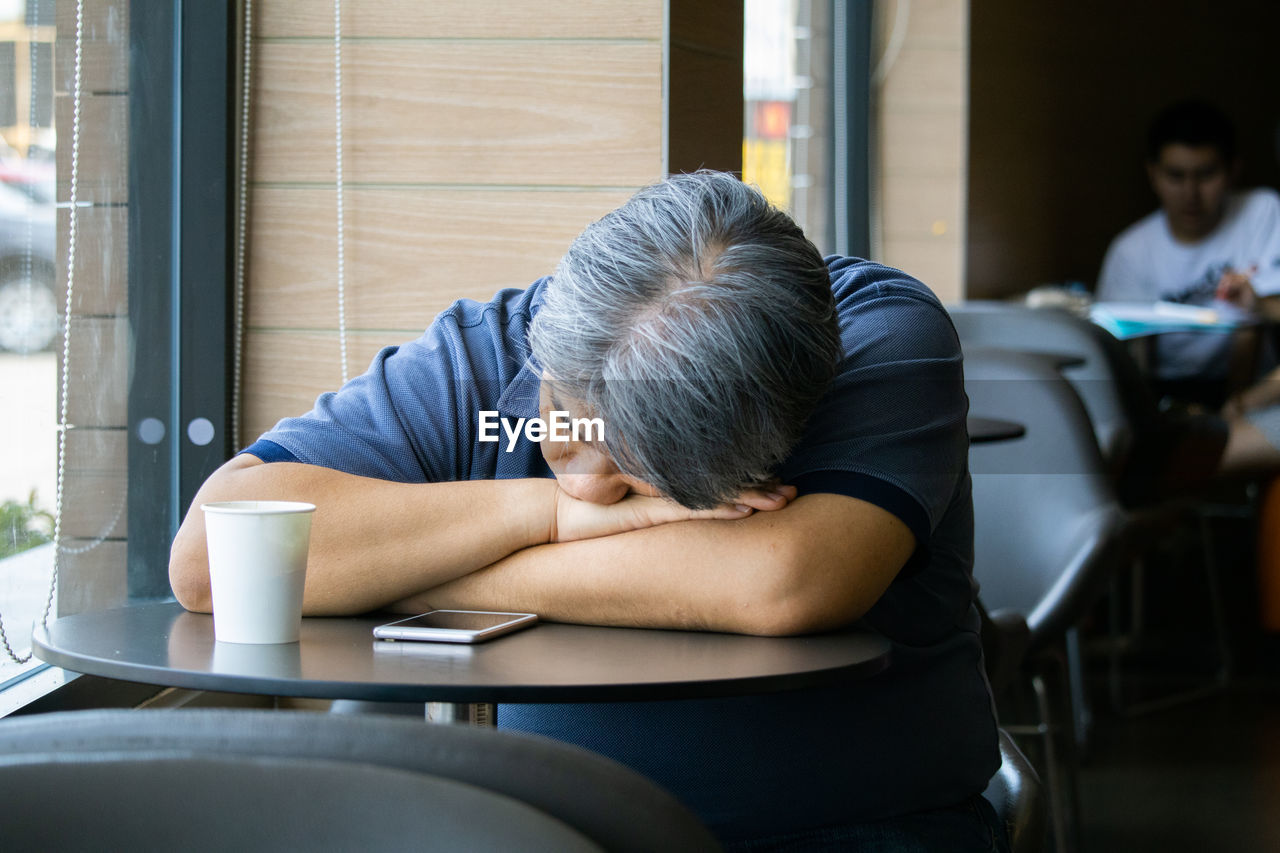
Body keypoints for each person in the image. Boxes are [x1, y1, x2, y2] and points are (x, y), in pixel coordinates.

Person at [170, 172, 1004, 850]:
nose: (591, 484)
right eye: (564, 424)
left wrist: (416, 579)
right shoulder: (488, 350)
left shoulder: (883, 337)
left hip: (854, 826)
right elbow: (216, 558)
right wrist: (549, 516)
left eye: (645, 480)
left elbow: (783, 584)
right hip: (541, 828)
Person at [1096, 99, 1280, 474]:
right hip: (1166, 391)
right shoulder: (1131, 251)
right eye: (1176, 176)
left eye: (1206, 175)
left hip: (1250, 388)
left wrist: (1243, 399)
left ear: (1233, 170)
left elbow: (1255, 327)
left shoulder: (1262, 212)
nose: (1191, 193)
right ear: (1152, 174)